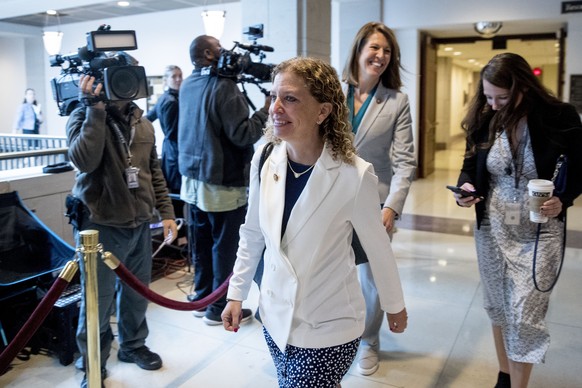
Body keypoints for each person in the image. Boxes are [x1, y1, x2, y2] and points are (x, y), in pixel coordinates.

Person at [221, 57, 408, 387]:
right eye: (274, 96)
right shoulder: (265, 158)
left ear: (323, 111)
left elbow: (378, 248)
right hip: (276, 318)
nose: (275, 108)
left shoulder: (354, 174)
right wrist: (237, 294)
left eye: (290, 98)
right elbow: (252, 233)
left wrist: (394, 306)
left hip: (329, 325)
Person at [452, 53, 582, 388]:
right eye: (489, 96)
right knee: (497, 306)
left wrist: (564, 198)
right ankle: (505, 376)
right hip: (492, 229)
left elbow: (581, 165)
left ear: (523, 87)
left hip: (539, 232)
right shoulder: (485, 118)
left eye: (503, 97)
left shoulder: (559, 116)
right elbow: (471, 166)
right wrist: (466, 187)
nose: (494, 105)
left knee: (525, 314)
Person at [66, 55, 178, 388]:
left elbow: (153, 171)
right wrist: (95, 110)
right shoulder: (82, 115)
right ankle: (93, 363)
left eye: (129, 77)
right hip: (100, 225)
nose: (126, 84)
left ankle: (133, 346)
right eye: (118, 77)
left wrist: (167, 213)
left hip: (139, 222)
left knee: (136, 294)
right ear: (100, 79)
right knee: (96, 301)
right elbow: (83, 161)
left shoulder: (143, 123)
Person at [341, 21, 416, 376]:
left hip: (375, 203)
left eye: (387, 51)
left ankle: (369, 339)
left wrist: (393, 206)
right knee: (330, 269)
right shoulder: (332, 91)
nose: (381, 56)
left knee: (372, 276)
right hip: (329, 198)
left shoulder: (397, 101)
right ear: (358, 50)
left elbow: (405, 161)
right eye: (374, 48)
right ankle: (335, 332)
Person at [178, 35, 269, 324]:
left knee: (202, 242)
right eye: (220, 48)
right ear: (208, 53)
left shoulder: (189, 84)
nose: (227, 53)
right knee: (224, 246)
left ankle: (203, 298)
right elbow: (243, 134)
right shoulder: (224, 86)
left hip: (192, 182)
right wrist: (266, 110)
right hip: (221, 182)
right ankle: (218, 308)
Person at [146, 65, 183, 195]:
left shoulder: (163, 98)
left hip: (169, 151)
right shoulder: (172, 101)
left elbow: (146, 119)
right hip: (176, 153)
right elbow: (174, 133)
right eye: (174, 76)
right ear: (166, 80)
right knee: (178, 195)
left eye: (180, 76)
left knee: (174, 194)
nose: (178, 79)